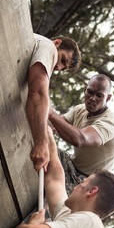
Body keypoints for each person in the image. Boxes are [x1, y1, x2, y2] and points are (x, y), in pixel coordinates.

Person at [48, 74, 114, 194]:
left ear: (108, 98)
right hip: (70, 163)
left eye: (99, 95)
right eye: (90, 92)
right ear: (85, 90)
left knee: (53, 204)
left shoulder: (109, 124)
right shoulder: (80, 109)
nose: (92, 98)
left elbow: (80, 139)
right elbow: (54, 124)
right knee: (40, 146)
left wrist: (51, 113)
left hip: (86, 182)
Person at [28, 34, 81, 173]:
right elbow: (38, 93)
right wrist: (41, 144)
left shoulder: (35, 54)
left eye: (63, 68)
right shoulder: (49, 46)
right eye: (63, 59)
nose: (58, 66)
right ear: (57, 43)